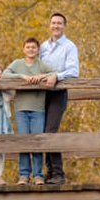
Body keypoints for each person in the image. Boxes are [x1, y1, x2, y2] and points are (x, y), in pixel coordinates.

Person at [4, 38, 56, 185]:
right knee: (24, 141)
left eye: (33, 47)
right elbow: (4, 74)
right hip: (21, 109)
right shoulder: (17, 64)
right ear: (23, 49)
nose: (31, 49)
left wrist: (42, 76)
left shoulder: (41, 64)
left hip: (38, 109)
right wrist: (22, 76)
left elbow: (54, 72)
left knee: (37, 142)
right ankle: (24, 175)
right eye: (28, 47)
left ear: (38, 50)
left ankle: (38, 175)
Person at [36, 12, 79, 185]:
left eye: (59, 23)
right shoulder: (43, 47)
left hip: (58, 92)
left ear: (64, 26)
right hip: (41, 93)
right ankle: (49, 173)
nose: (56, 26)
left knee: (50, 132)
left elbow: (73, 71)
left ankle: (59, 173)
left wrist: (56, 75)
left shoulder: (69, 47)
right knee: (41, 131)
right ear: (49, 25)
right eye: (53, 23)